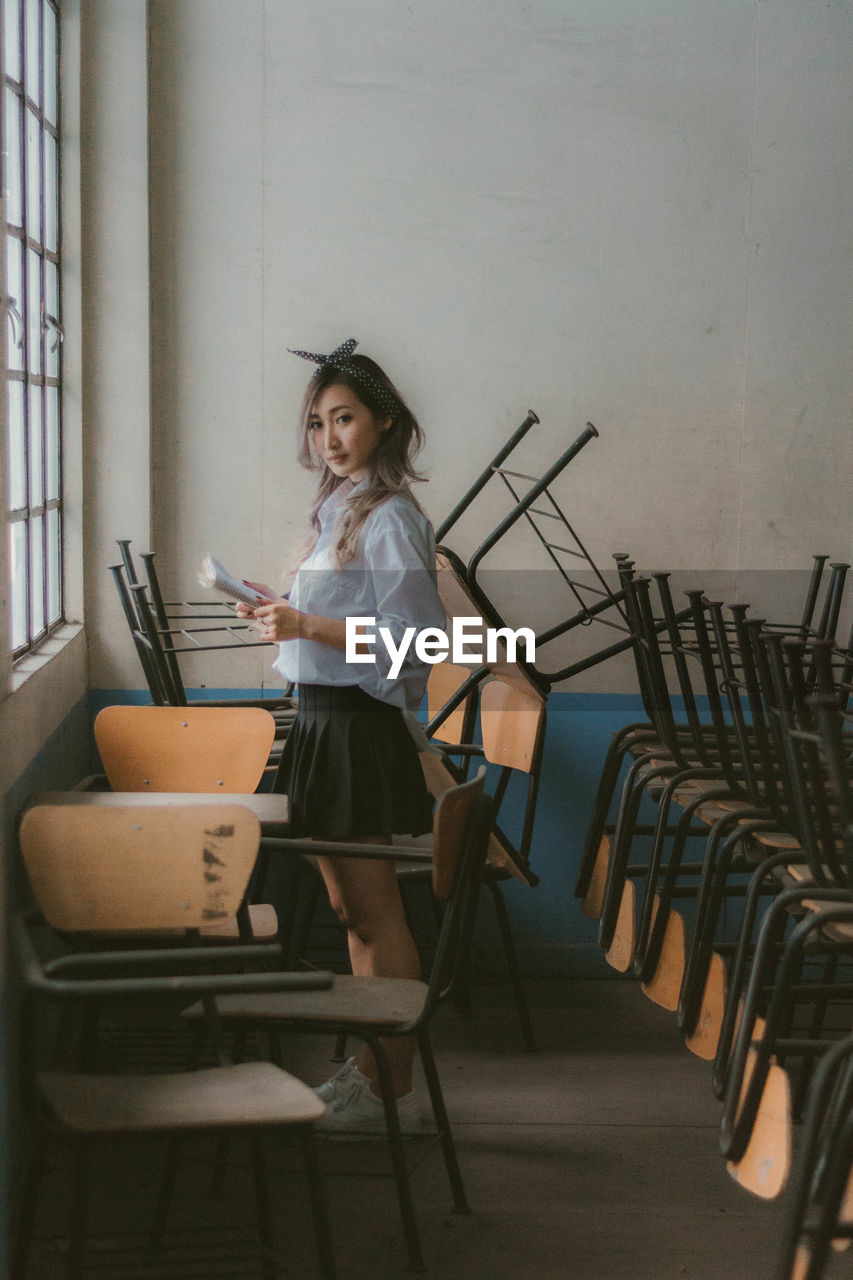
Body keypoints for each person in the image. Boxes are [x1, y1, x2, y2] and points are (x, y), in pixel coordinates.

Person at [238, 338, 445, 1134]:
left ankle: (392, 1088)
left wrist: (306, 623)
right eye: (318, 422)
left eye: (345, 418)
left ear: (384, 424)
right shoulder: (338, 511)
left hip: (358, 730)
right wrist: (279, 616)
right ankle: (370, 1071)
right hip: (323, 724)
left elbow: (412, 640)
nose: (329, 437)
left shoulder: (390, 519)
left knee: (371, 912)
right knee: (347, 909)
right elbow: (331, 628)